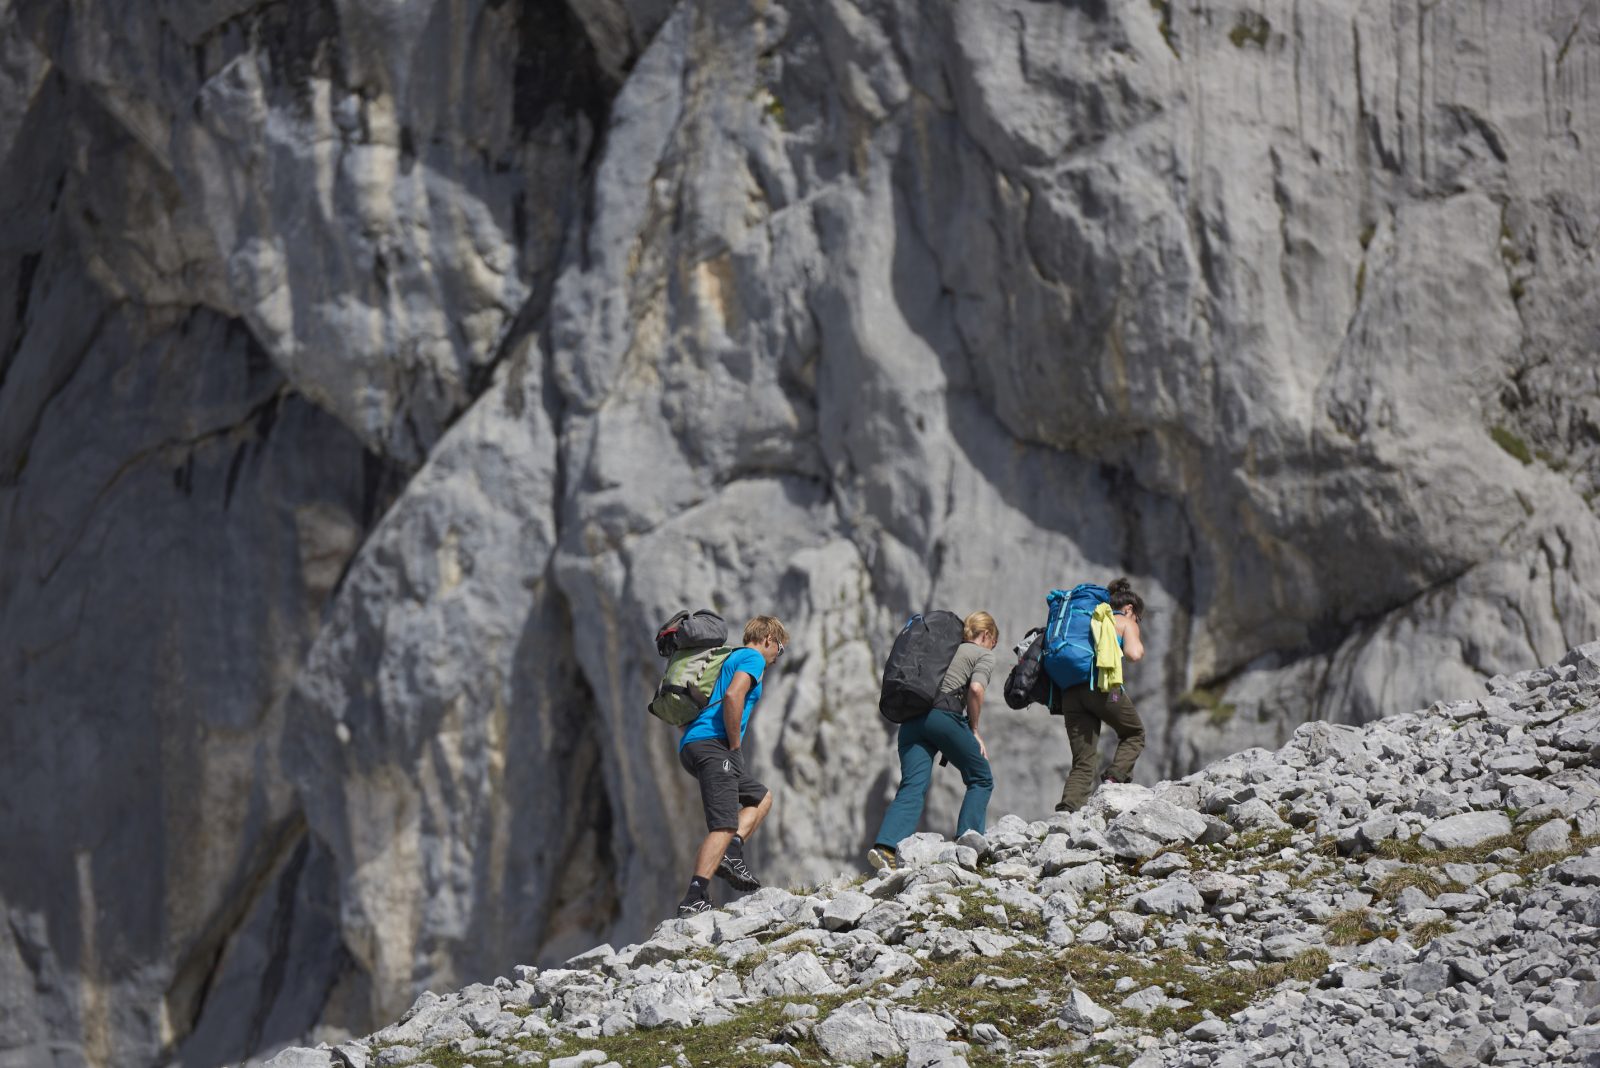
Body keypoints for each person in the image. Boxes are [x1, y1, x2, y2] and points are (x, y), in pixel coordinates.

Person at [867, 611, 999, 870]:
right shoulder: (982, 654)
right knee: (981, 778)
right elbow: (975, 689)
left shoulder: (944, 652)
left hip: (911, 722)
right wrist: (974, 728)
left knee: (912, 786)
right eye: (994, 642)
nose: (993, 647)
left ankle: (886, 848)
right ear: (986, 635)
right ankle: (969, 845)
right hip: (942, 719)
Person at [675, 615, 789, 915]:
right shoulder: (752, 658)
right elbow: (733, 694)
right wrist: (735, 745)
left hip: (694, 744)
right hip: (714, 746)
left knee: (761, 797)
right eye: (780, 648)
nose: (778, 657)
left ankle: (732, 851)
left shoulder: (730, 657)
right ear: (768, 639)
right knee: (724, 823)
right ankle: (694, 897)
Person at [1055, 578, 1146, 813]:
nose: (1137, 622)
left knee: (1083, 760)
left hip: (1071, 693)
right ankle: (1114, 780)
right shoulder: (1124, 620)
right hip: (1103, 688)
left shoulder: (1088, 619)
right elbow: (1134, 654)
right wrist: (1132, 632)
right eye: (1138, 617)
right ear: (1129, 609)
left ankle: (1067, 811)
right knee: (1134, 732)